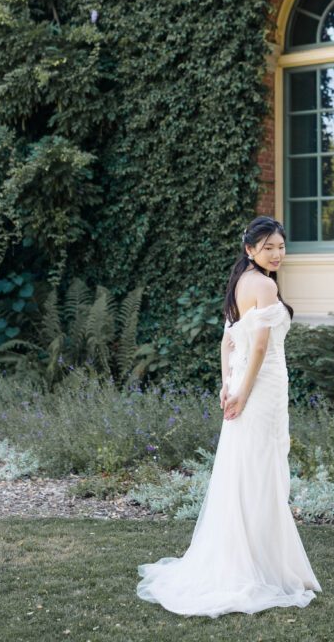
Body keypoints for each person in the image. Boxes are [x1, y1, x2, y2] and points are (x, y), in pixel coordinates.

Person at [136, 215, 322, 618]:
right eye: (268, 247)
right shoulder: (266, 285)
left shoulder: (239, 284)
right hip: (261, 387)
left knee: (244, 469)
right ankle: (261, 567)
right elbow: (256, 348)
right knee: (260, 470)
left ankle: (253, 557)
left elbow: (226, 342)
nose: (277, 254)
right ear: (250, 249)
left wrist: (227, 384)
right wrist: (243, 390)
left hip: (242, 385)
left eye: (281, 246)